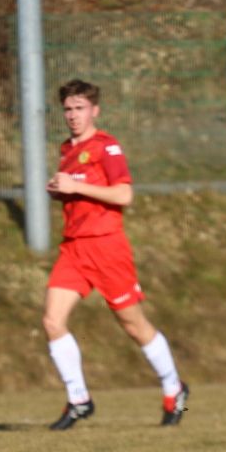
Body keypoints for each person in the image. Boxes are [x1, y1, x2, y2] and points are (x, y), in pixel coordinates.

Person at [43, 79, 189, 430]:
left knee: (133, 324)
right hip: (74, 247)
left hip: (107, 247)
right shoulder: (66, 148)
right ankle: (79, 399)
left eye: (80, 108)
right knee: (52, 320)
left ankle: (174, 387)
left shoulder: (107, 147)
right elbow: (81, 192)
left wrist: (75, 186)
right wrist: (61, 192)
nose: (73, 115)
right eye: (68, 109)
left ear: (95, 110)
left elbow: (123, 195)